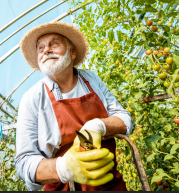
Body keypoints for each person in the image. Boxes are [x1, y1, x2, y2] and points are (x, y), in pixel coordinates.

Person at [15, 21, 135, 191]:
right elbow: (23, 163)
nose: (46, 50)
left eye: (54, 44)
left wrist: (98, 126)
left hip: (110, 184)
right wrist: (64, 168)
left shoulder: (91, 80)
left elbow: (125, 120)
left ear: (72, 52)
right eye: (40, 48)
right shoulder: (32, 98)